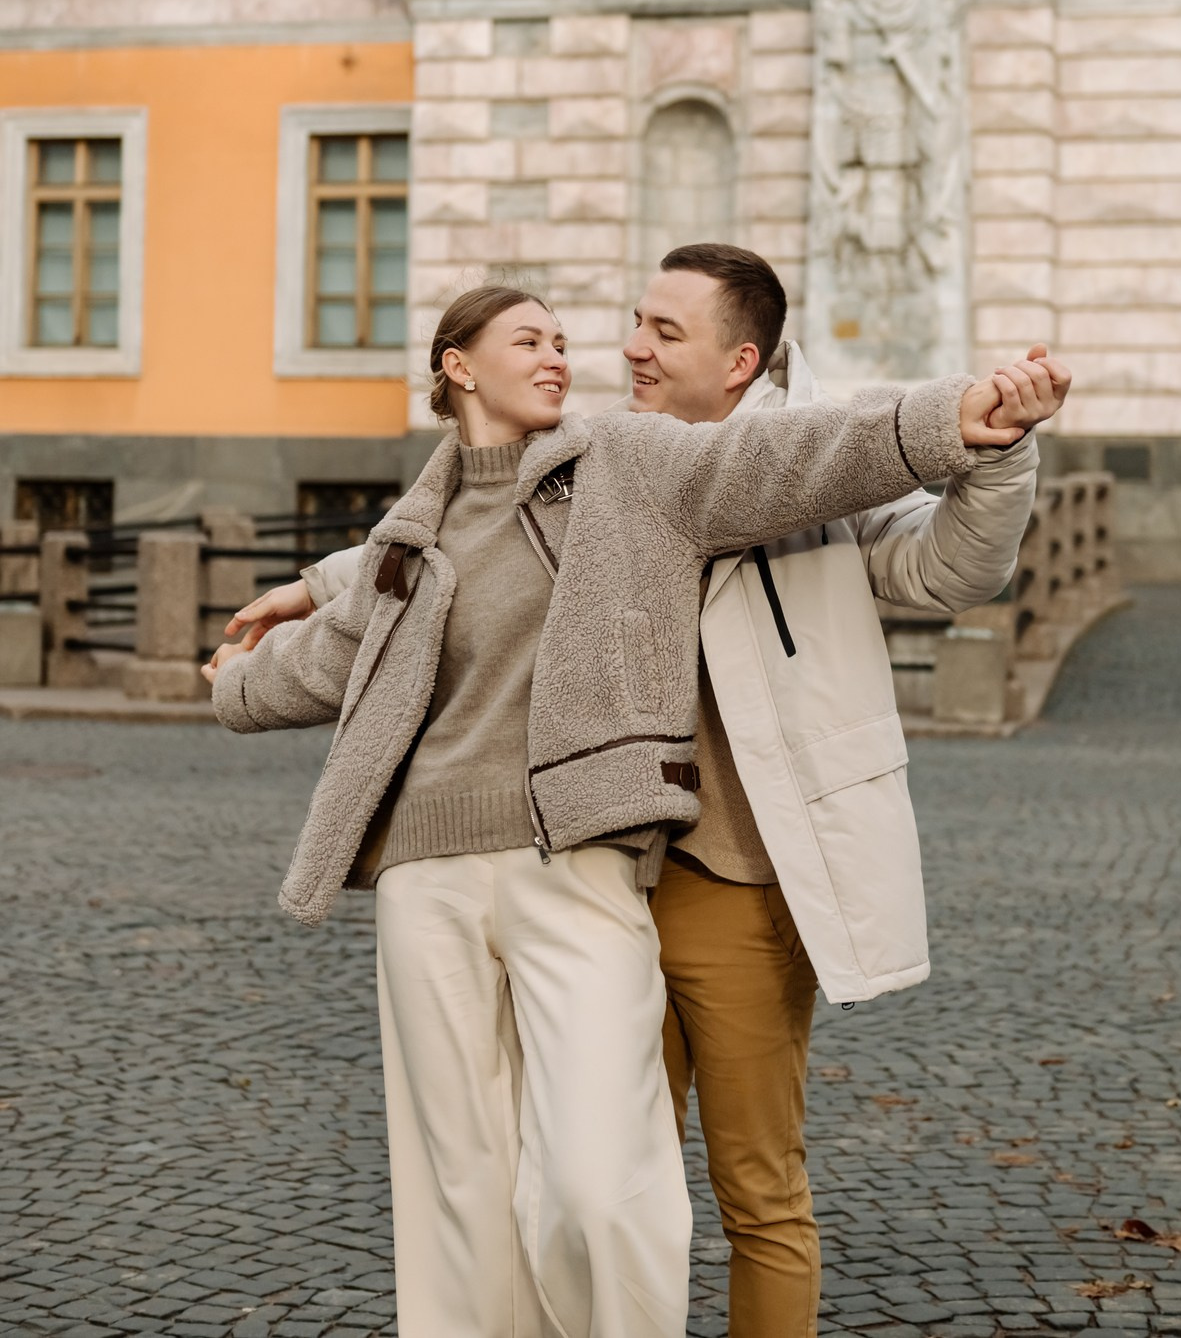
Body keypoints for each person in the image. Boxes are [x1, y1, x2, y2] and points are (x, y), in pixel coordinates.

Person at [205, 280, 1057, 1338]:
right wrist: (287, 618)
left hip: (672, 869)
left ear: (737, 360)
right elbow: (424, 559)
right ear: (459, 366)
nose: (609, 351)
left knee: (659, 1187)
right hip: (482, 865)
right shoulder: (499, 495)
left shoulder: (643, 461)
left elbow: (831, 469)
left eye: (655, 331)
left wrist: (966, 423)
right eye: (541, 338)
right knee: (478, 1172)